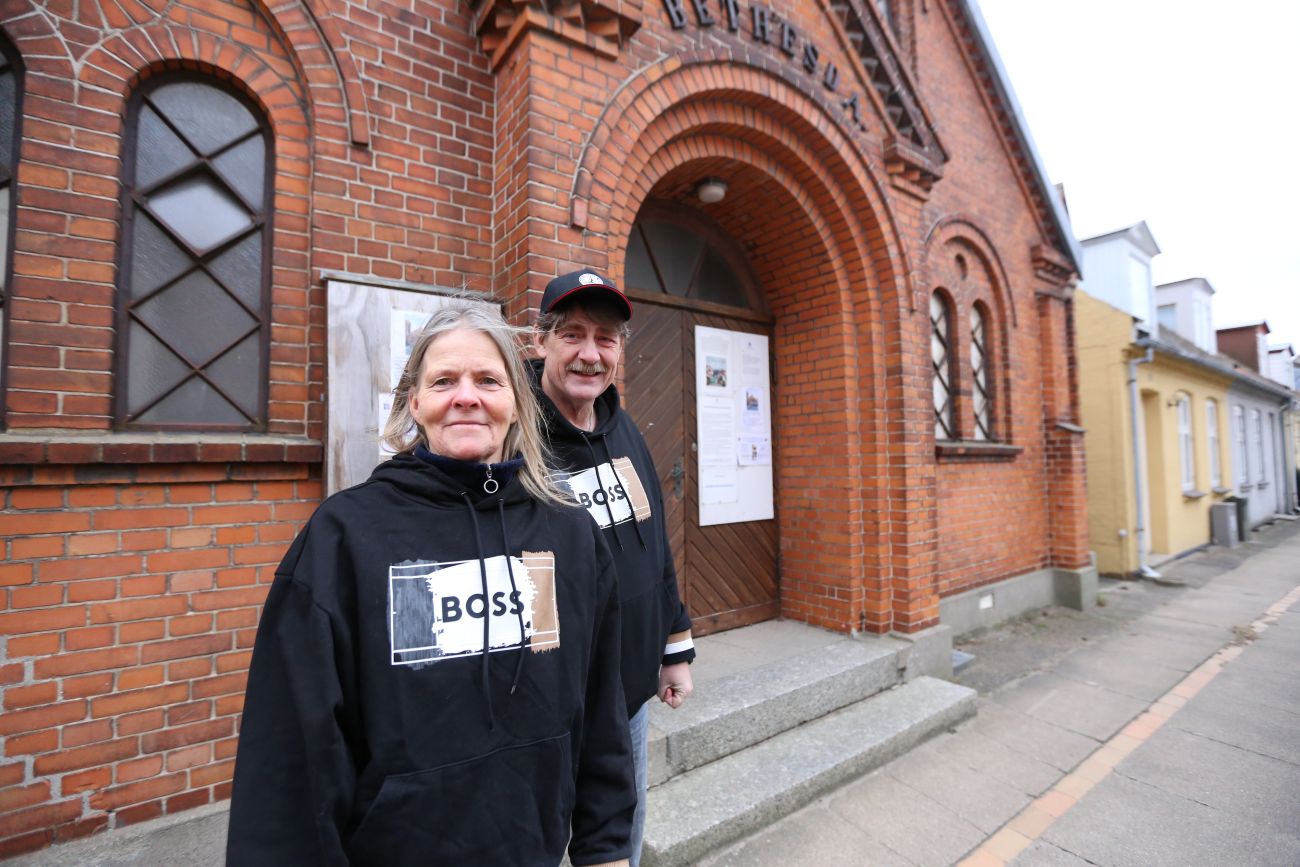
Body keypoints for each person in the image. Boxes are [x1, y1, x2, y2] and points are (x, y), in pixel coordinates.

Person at [227, 298, 635, 867]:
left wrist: (607, 848)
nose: (466, 396)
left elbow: (600, 707)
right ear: (415, 403)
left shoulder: (568, 534)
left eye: (488, 380)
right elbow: (291, 748)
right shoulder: (348, 536)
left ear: (516, 402)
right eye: (444, 380)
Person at [531, 270, 695, 866]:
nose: (590, 353)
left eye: (606, 339)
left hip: (625, 692)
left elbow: (652, 544)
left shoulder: (622, 428)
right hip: (545, 703)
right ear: (541, 340)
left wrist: (673, 647)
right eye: (572, 334)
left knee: (618, 838)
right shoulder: (513, 436)